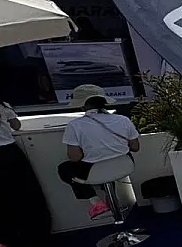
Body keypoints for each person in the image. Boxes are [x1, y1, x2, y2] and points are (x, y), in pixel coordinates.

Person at [57, 84, 141, 219]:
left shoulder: (75, 125)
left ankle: (97, 203)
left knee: (64, 169)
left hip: (93, 171)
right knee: (108, 165)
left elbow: (74, 157)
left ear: (82, 105)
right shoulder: (123, 120)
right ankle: (110, 198)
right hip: (125, 165)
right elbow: (135, 147)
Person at [0, 93, 51, 247]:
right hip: (9, 153)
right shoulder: (2, 105)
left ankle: (4, 240)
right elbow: (16, 126)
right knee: (24, 194)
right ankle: (35, 234)